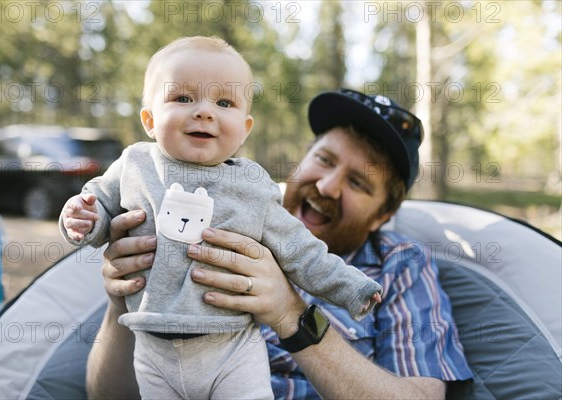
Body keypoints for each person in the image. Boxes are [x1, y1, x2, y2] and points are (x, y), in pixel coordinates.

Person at [86, 88, 473, 399]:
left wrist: (292, 316)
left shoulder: (400, 265)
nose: (326, 186)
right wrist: (124, 298)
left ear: (381, 216)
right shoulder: (207, 217)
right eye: (323, 159)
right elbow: (104, 395)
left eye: (358, 182)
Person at [60, 37, 382, 399]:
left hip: (231, 348)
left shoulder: (253, 186)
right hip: (153, 343)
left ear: (245, 129)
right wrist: (83, 219)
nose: (204, 111)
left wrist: (353, 289)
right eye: (182, 98)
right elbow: (98, 203)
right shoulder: (134, 164)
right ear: (149, 120)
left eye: (224, 102)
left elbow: (302, 250)